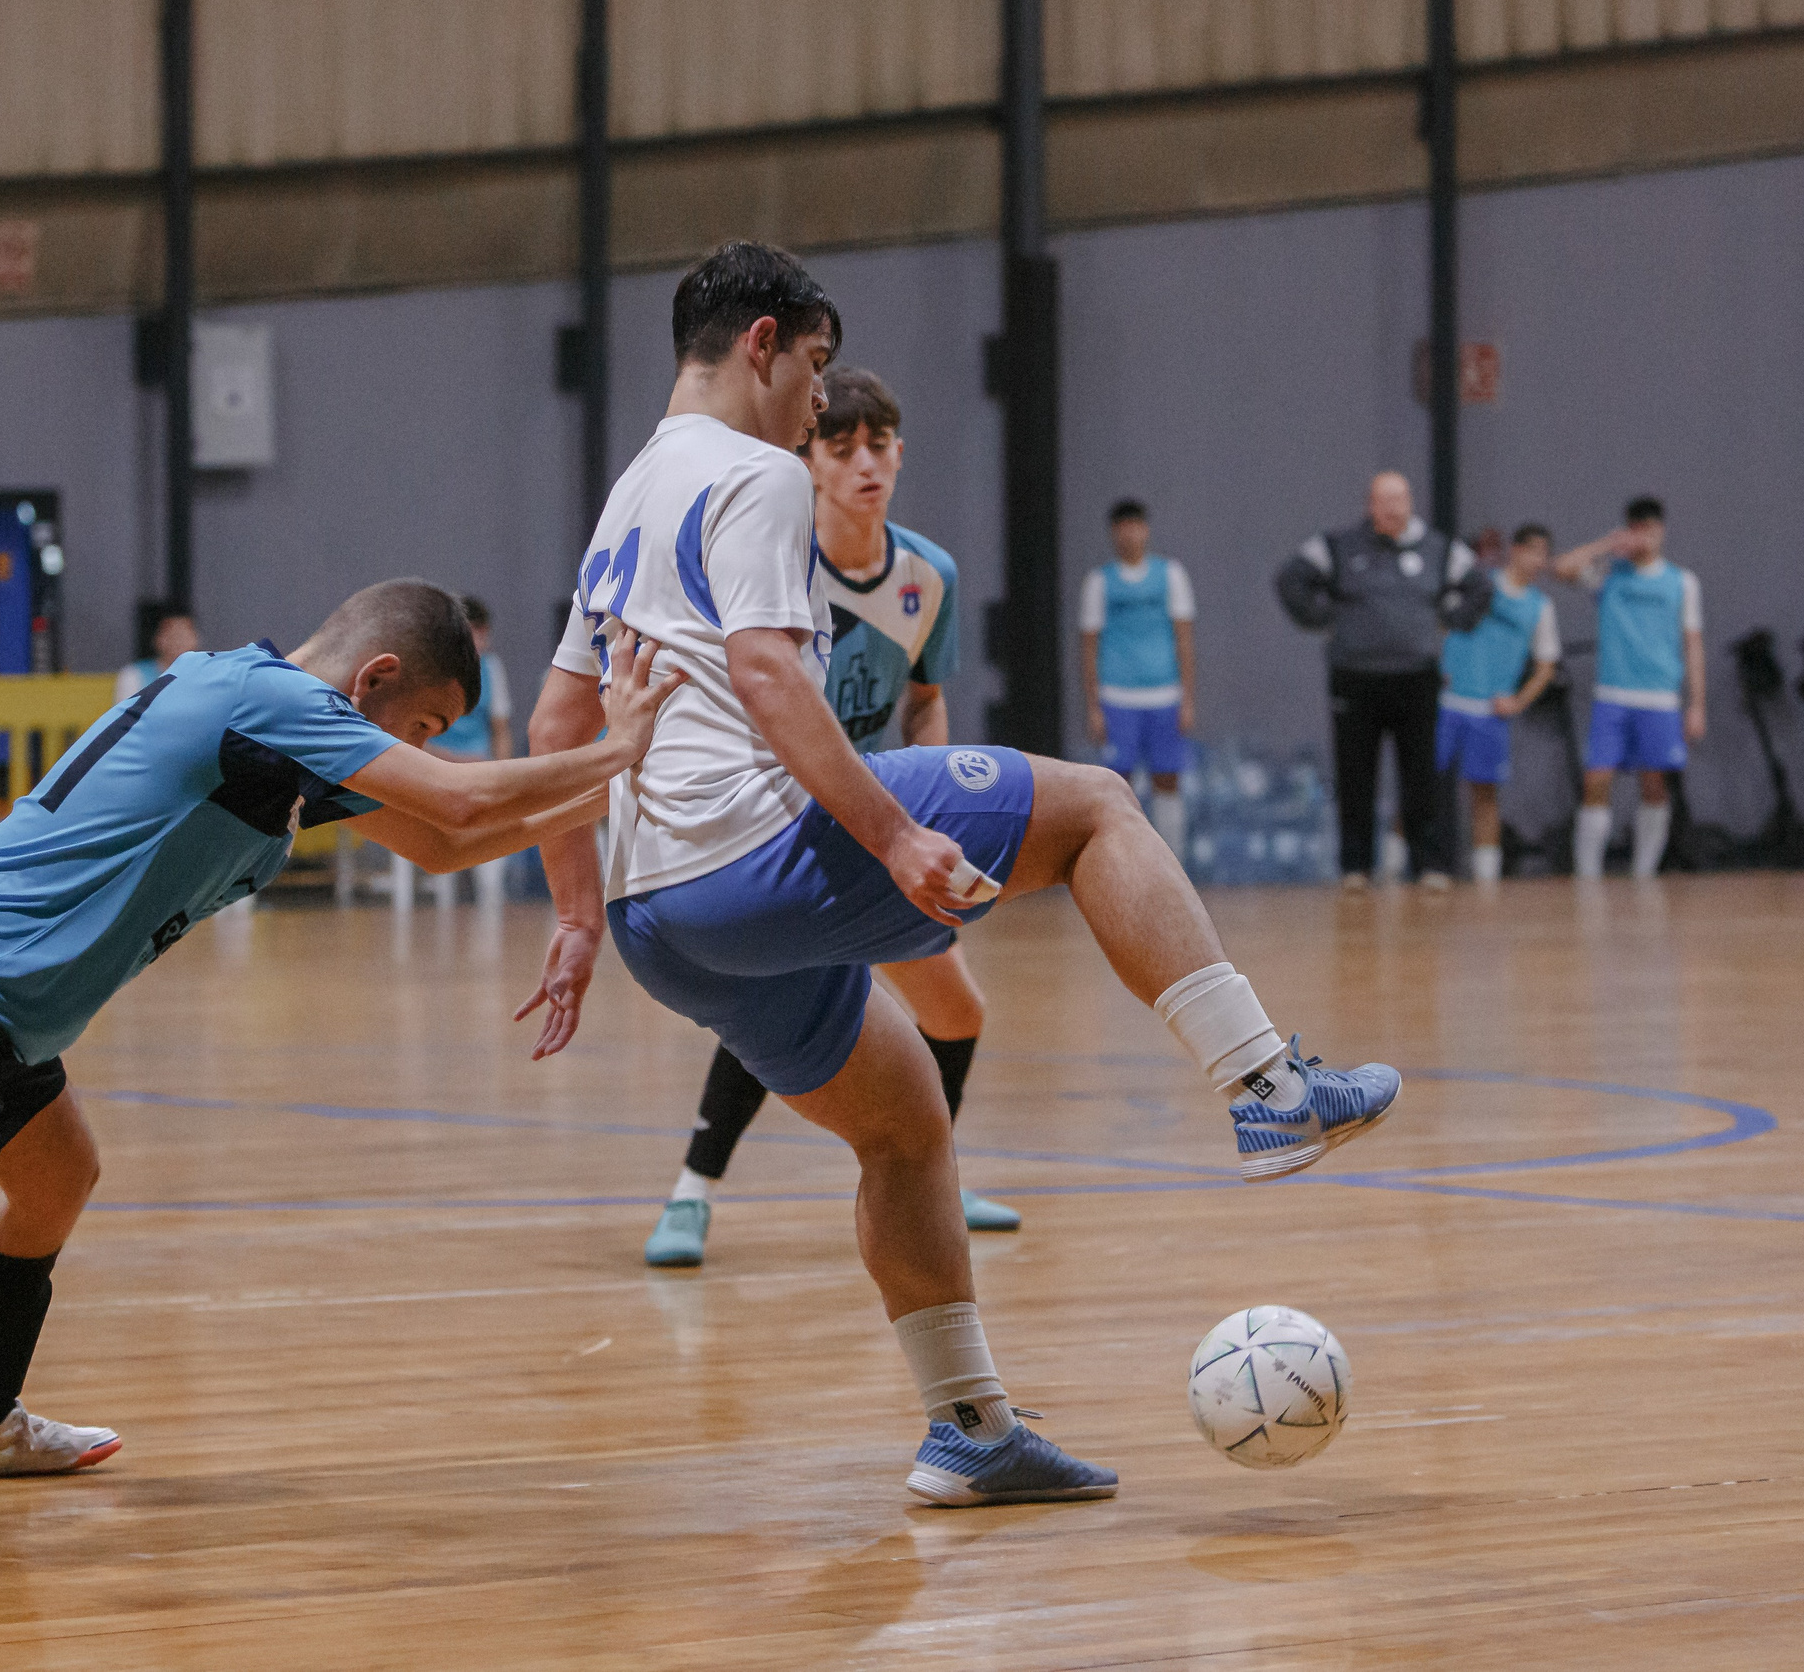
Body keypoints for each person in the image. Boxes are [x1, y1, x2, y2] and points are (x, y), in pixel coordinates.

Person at [522, 241, 1402, 1509]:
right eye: (817, 369)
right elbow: (769, 675)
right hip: (759, 853)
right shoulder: (757, 475)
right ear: (762, 341)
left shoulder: (629, 496)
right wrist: (889, 833)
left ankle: (970, 1430)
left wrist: (573, 915)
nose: (822, 407)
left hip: (659, 915)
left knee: (903, 1124)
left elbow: (559, 729)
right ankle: (1266, 1084)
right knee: (1099, 808)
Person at [0, 580, 682, 1568]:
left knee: (59, 1178)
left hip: (1, 1010)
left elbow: (444, 843)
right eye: (423, 728)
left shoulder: (275, 735)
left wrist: (619, 795)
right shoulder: (267, 699)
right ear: (375, 681)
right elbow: (457, 802)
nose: (419, 748)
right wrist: (618, 749)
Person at [641, 364, 1017, 1273]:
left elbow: (925, 700)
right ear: (807, 461)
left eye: (879, 445)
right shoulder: (779, 559)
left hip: (877, 808)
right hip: (776, 813)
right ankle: (691, 1192)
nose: (864, 463)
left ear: (900, 453)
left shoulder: (930, 574)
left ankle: (932, 1171)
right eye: (841, 445)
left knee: (957, 1011)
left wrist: (937, 794)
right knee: (799, 996)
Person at [1277, 471, 1491, 889]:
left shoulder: (1439, 548)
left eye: (1399, 500)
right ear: (1369, 505)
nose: (1392, 509)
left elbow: (1480, 587)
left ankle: (1429, 865)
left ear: (1410, 502)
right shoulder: (1338, 546)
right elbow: (1290, 579)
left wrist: (1449, 620)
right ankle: (1355, 867)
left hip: (1416, 678)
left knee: (1421, 776)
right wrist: (1322, 617)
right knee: (1355, 775)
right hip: (1355, 678)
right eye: (1383, 501)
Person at [1553, 497, 1706, 880]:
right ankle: (1587, 874)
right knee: (1597, 779)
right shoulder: (1609, 575)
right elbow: (1562, 568)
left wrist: (1697, 703)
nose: (1645, 537)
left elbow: (1693, 643)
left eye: (1651, 529)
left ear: (1662, 530)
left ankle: (1644, 872)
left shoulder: (1681, 582)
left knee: (1654, 783)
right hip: (1613, 695)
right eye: (1638, 529)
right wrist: (1606, 545)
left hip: (1659, 698)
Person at [1437, 524, 1559, 885]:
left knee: (1485, 795)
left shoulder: (1540, 606)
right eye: (1532, 551)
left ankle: (1486, 879)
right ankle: (1399, 868)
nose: (1538, 561)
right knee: (1425, 788)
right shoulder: (1480, 585)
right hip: (1448, 703)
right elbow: (1442, 620)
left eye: (1543, 554)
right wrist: (1439, 666)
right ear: (1515, 550)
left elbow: (1545, 667)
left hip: (1490, 713)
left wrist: (1519, 701)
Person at [1079, 499, 1196, 863]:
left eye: (1136, 526)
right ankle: (1121, 861)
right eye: (1122, 527)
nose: (1130, 534)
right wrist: (1094, 706)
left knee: (1167, 778)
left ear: (1146, 530)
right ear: (1114, 533)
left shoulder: (1171, 575)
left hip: (1164, 695)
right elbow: (1088, 647)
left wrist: (1187, 698)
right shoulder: (1099, 582)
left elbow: (1184, 639)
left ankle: (1171, 860)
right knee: (1117, 783)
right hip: (1118, 697)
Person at [422, 596, 518, 907]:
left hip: (478, 771)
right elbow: (416, 739)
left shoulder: (492, 669)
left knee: (492, 860)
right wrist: (452, 761)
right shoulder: (431, 673)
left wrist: (503, 775)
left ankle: (491, 904)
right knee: (443, 858)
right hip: (437, 770)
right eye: (470, 632)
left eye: (482, 632)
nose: (478, 640)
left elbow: (501, 730)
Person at [116, 606, 200, 702]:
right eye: (172, 635)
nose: (178, 642)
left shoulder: (207, 676)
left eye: (183, 635)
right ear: (157, 639)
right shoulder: (134, 675)